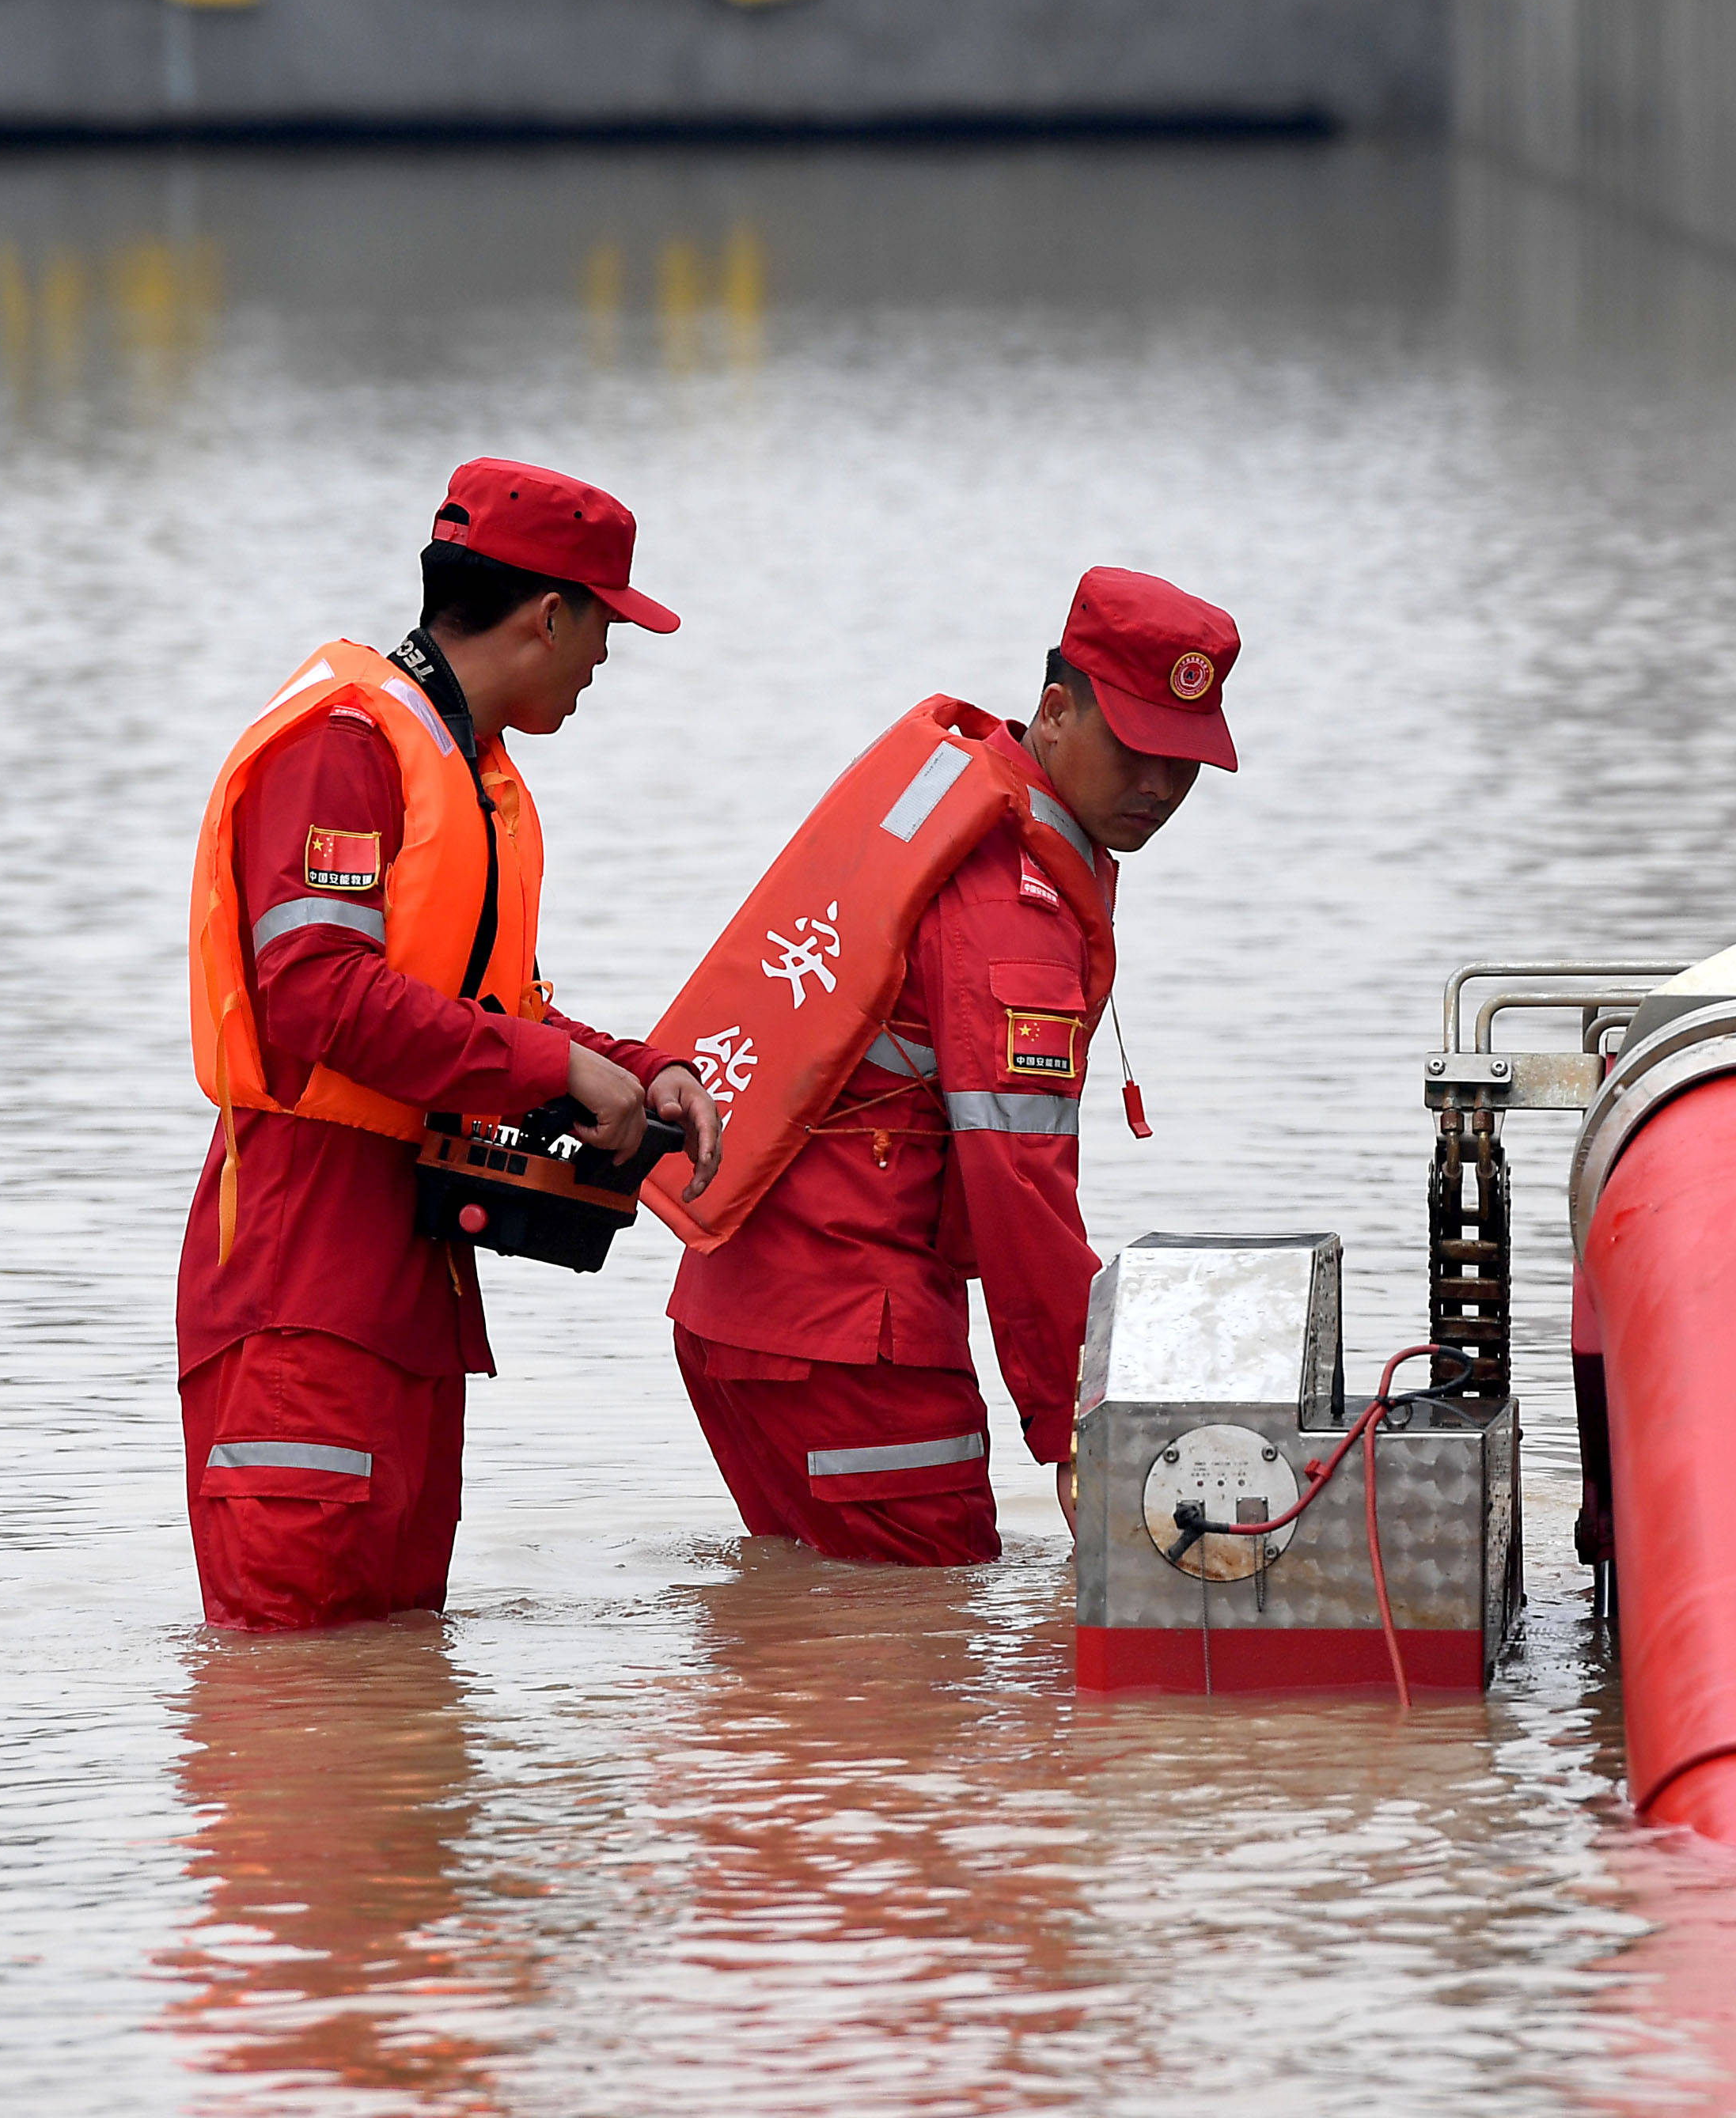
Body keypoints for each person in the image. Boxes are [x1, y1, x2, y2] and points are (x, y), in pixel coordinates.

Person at [176, 457, 724, 1631]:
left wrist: (637, 1066)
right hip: (301, 1270)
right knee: (297, 1684)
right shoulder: (343, 742)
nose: (604, 662)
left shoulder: (468, 771)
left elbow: (494, 1010)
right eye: (607, 629)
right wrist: (551, 1069)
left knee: (392, 1690)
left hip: (409, 1276)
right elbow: (316, 996)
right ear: (549, 614)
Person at [658, 567, 1238, 1564]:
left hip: (739, 1313)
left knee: (819, 1654)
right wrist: (1074, 1429)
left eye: (1185, 764)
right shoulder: (1011, 905)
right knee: (915, 1677)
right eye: (1137, 748)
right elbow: (1020, 1190)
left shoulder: (977, 806)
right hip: (855, 1341)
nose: (1159, 788)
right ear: (1055, 711)